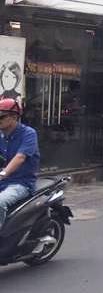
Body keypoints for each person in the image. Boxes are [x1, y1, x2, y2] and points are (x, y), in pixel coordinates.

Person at [0, 98, 39, 229]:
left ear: (14, 117)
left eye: (2, 116)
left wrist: (3, 174)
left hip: (21, 183)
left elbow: (20, 157)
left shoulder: (28, 134)